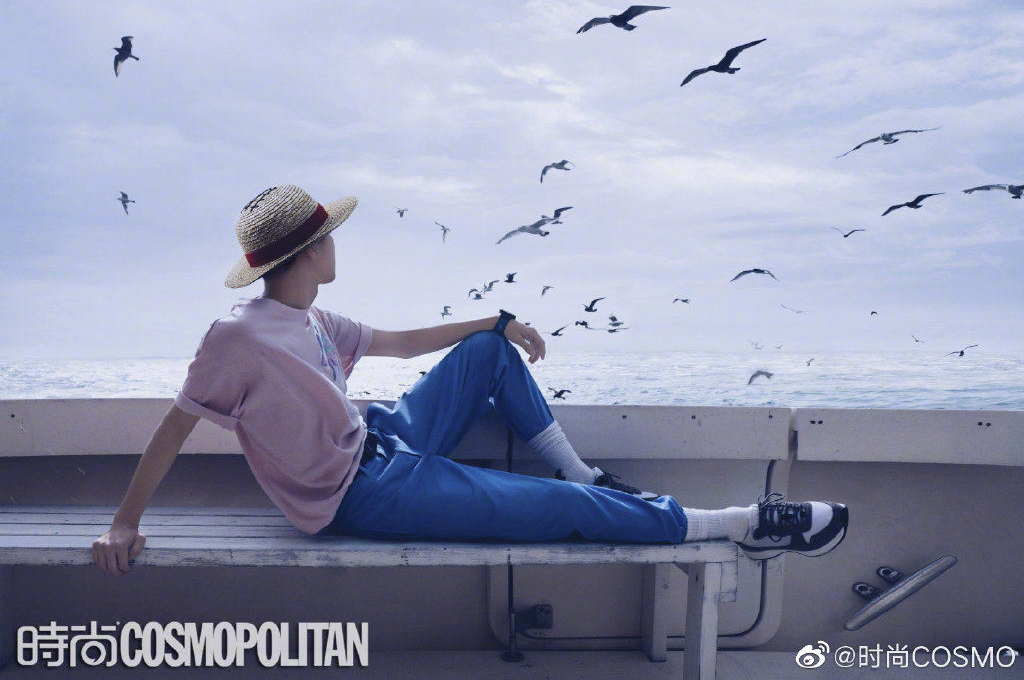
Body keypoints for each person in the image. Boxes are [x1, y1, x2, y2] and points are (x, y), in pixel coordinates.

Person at [92, 185, 848, 576]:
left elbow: (397, 344)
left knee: (487, 354)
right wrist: (125, 520)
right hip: (361, 493)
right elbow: (175, 425)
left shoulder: (311, 315)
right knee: (561, 511)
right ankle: (741, 523)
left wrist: (497, 322)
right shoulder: (238, 337)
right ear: (310, 251)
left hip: (384, 438)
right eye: (330, 237)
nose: (337, 245)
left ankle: (586, 472)